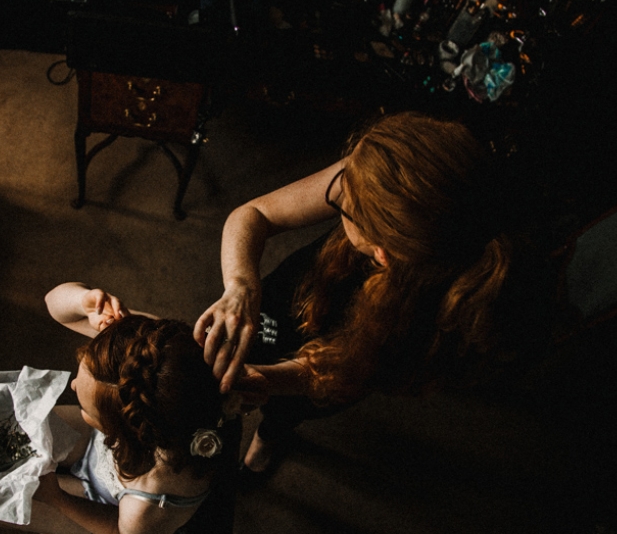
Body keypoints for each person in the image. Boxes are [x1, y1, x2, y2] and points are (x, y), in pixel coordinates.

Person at [195, 111, 524, 472]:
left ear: (380, 253)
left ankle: (269, 438)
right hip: (295, 293)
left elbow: (332, 374)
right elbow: (256, 213)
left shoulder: (426, 324)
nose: (336, 189)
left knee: (288, 410)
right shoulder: (394, 174)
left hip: (336, 367)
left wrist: (266, 380)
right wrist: (242, 285)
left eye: (342, 205)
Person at [0, 282, 233, 534]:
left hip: (110, 508)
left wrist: (58, 500)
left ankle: (59, 506)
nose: (73, 385)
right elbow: (54, 304)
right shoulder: (144, 358)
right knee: (4, 437)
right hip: (102, 451)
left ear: (123, 434)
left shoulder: (149, 503)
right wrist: (85, 303)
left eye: (87, 410)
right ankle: (63, 473)